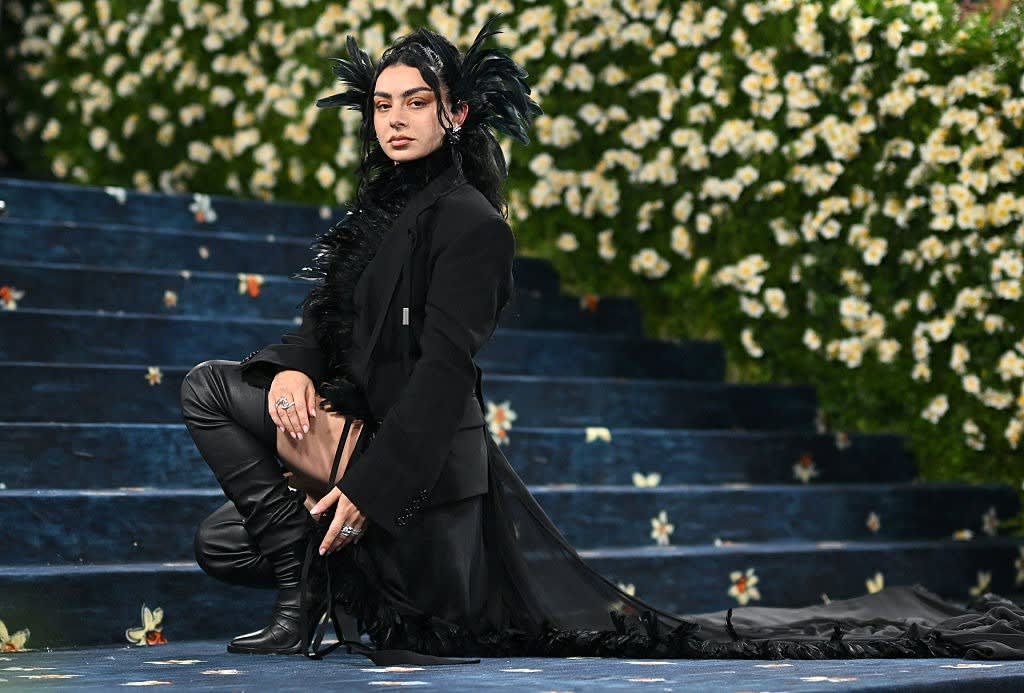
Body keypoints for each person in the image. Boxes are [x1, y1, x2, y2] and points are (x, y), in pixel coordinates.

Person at [181, 16, 1024, 663]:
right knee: (221, 538)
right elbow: (329, 319)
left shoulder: (471, 224)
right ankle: (307, 577)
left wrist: (369, 489)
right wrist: (291, 369)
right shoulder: (378, 211)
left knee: (210, 388)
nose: (395, 119)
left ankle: (306, 593)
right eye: (382, 104)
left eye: (416, 103)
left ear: (456, 112)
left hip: (422, 478)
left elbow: (441, 376)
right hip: (362, 434)